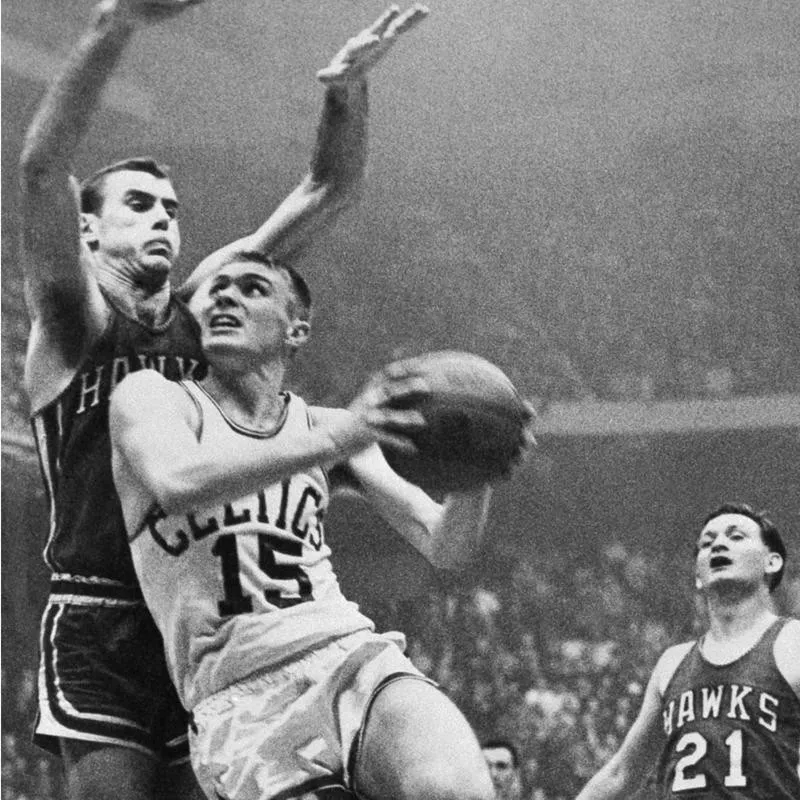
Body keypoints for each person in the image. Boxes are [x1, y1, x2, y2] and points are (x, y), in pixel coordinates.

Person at [18, 0, 429, 797]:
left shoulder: (208, 306)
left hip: (216, 623)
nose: (165, 220)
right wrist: (116, 25)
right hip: (103, 614)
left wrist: (345, 90)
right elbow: (40, 169)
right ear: (88, 232)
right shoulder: (76, 323)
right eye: (138, 205)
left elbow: (329, 185)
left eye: (171, 208)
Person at [108, 251, 535, 800]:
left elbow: (443, 545)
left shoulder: (324, 428)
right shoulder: (153, 397)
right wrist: (344, 435)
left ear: (296, 328)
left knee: (456, 789)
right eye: (215, 288)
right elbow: (177, 481)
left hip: (346, 654)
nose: (225, 296)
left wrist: (477, 476)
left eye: (252, 288)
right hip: (239, 697)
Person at [575, 502, 800, 799]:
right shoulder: (672, 662)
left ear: (772, 562)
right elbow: (622, 773)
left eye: (736, 537)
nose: (719, 543)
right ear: (697, 575)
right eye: (707, 542)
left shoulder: (792, 642)